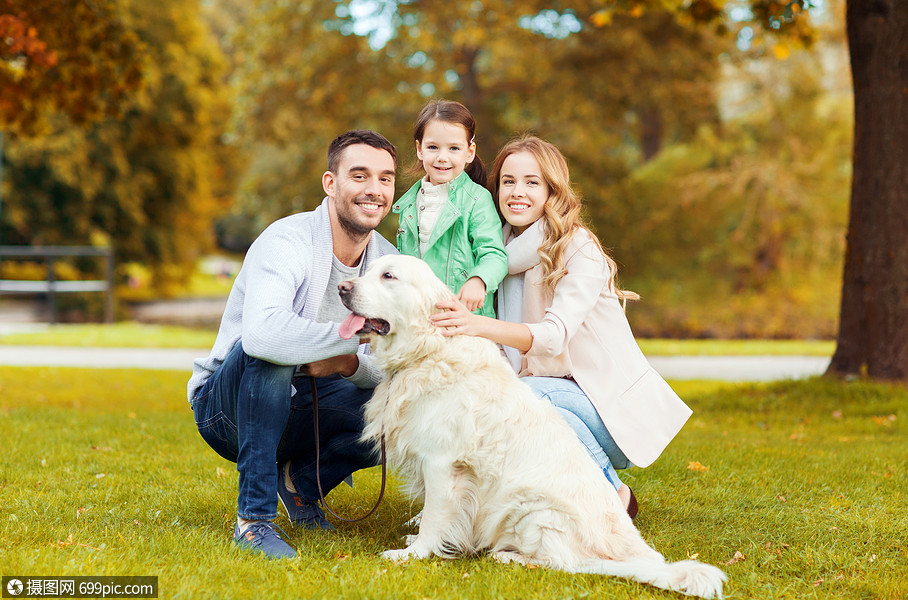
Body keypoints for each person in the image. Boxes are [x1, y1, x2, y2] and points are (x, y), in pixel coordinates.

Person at [431, 136, 692, 519]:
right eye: (508, 181)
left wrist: (478, 325)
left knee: (525, 397)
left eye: (532, 182)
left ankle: (613, 493)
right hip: (550, 401)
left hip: (608, 413)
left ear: (552, 190)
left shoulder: (577, 247)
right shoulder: (492, 257)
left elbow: (552, 338)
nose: (517, 192)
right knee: (493, 400)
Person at [187, 130, 399, 559]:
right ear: (330, 183)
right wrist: (348, 340)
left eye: (385, 179)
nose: (374, 190)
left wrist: (344, 364)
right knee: (272, 352)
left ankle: (302, 483)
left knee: (402, 406)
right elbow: (264, 335)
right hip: (227, 410)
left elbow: (393, 363)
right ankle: (254, 522)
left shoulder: (387, 264)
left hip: (309, 403)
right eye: (359, 176)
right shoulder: (287, 240)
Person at [393, 100, 507, 317]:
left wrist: (479, 280)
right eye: (433, 147)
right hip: (419, 317)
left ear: (469, 152)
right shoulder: (408, 204)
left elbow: (494, 254)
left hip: (465, 319)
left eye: (454, 148)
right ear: (419, 149)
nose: (442, 157)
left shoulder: (477, 200)